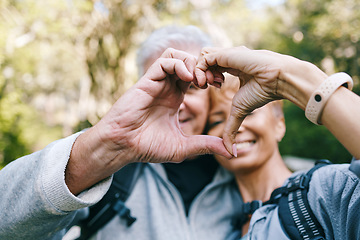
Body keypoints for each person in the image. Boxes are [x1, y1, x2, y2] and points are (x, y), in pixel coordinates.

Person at [0, 26, 241, 240]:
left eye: (191, 87)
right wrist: (102, 149)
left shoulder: (238, 175)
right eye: (163, 86)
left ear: (212, 95)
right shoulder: (110, 166)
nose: (176, 103)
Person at [195, 46, 360, 239]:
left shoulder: (327, 190)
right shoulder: (217, 230)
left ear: (279, 124)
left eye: (248, 113)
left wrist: (284, 76)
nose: (234, 126)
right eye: (216, 121)